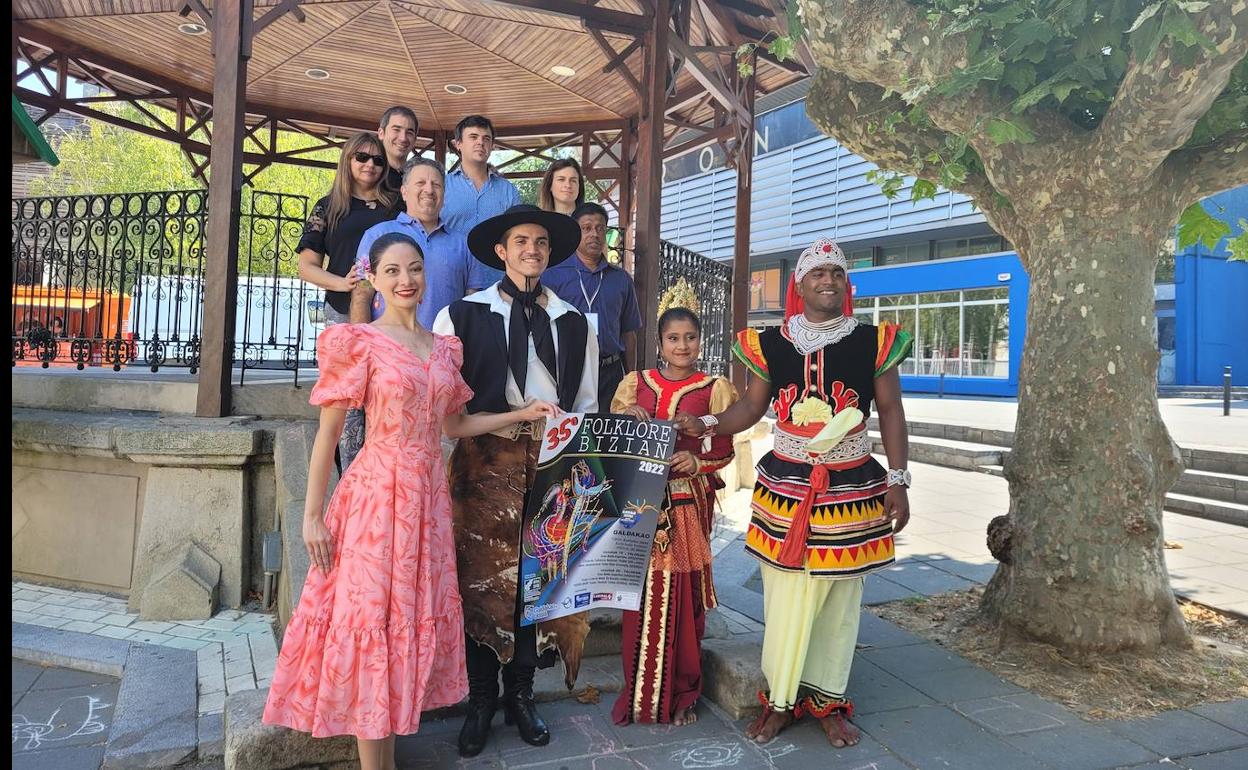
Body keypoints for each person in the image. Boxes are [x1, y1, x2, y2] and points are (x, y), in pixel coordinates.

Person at [262, 232, 559, 770]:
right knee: (372, 622)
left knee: (402, 622)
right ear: (373, 279)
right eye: (393, 270)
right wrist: (311, 516)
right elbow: (328, 433)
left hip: (427, 504)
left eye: (415, 269)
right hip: (375, 499)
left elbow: (454, 425)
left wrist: (519, 414)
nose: (406, 280)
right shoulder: (357, 342)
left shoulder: (444, 348)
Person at [674, 237, 913, 749]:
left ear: (846, 284)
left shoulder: (874, 341)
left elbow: (892, 410)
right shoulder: (770, 343)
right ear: (798, 286)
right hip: (785, 485)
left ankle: (829, 702)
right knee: (785, 595)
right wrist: (707, 423)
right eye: (818, 273)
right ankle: (780, 701)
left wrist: (898, 480)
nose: (829, 280)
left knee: (840, 598)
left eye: (837, 273)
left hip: (851, 484)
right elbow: (751, 408)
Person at [432, 204, 598, 758]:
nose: (532, 249)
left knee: (537, 577)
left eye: (541, 242)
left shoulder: (574, 322)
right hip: (483, 460)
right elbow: (445, 409)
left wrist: (571, 458)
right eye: (521, 241)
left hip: (550, 459)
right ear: (501, 251)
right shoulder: (461, 315)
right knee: (480, 582)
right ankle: (480, 699)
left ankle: (521, 695)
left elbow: (587, 404)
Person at [610, 306, 738, 727]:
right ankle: (640, 692)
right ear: (660, 343)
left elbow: (725, 451)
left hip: (685, 505)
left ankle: (683, 694)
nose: (682, 346)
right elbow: (614, 445)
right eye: (673, 338)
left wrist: (696, 460)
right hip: (638, 505)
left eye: (690, 337)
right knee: (638, 596)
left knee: (683, 597)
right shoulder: (636, 384)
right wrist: (627, 419)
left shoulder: (715, 389)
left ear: (700, 341)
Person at [296, 133, 397, 470]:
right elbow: (306, 266)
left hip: (387, 316)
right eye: (362, 157)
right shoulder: (328, 207)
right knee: (347, 402)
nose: (370, 165)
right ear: (348, 159)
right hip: (341, 313)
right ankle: (351, 481)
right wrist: (342, 282)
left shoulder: (395, 206)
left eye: (378, 159)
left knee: (386, 397)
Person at [352, 157, 491, 328]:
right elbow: (361, 294)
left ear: (444, 195)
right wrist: (361, 340)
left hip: (445, 341)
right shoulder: (377, 235)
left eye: (436, 185)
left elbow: (472, 302)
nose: (429, 190)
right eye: (420, 183)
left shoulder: (464, 244)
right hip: (387, 342)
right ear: (404, 192)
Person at [543, 202, 642, 410]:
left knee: (610, 428)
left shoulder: (621, 279)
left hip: (609, 372)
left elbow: (629, 333)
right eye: (586, 228)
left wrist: (631, 379)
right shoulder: (552, 276)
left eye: (600, 228)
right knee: (573, 429)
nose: (594, 234)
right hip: (568, 370)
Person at [442, 115, 521, 272]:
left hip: (496, 277)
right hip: (452, 274)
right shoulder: (441, 186)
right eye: (473, 137)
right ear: (458, 144)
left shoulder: (508, 190)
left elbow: (518, 235)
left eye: (486, 138)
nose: (480, 142)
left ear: (492, 145)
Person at [377, 106, 418, 208]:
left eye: (409, 132)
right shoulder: (371, 174)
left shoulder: (416, 179)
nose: (403, 138)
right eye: (396, 130)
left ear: (415, 140)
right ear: (381, 133)